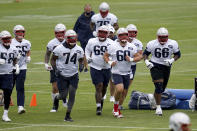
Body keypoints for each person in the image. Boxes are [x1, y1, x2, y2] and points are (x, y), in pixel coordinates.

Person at [104, 28, 141, 118]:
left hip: (127, 72)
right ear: (118, 36)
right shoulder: (113, 45)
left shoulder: (132, 46)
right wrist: (109, 62)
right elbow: (105, 55)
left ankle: (117, 108)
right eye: (121, 35)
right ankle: (116, 109)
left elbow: (139, 57)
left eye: (125, 35)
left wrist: (131, 59)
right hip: (116, 71)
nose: (124, 37)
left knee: (124, 93)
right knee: (120, 89)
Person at [143, 27, 181, 116]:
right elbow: (145, 54)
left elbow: (178, 54)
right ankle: (158, 107)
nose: (163, 39)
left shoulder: (173, 43)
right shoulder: (152, 43)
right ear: (157, 36)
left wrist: (172, 60)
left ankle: (153, 99)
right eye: (161, 37)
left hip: (166, 66)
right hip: (155, 65)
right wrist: (146, 61)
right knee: (159, 86)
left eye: (165, 37)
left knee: (162, 89)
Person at [50, 30, 84, 122]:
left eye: (74, 38)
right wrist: (55, 69)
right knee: (63, 95)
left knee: (72, 93)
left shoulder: (79, 49)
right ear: (66, 38)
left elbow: (81, 59)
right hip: (62, 75)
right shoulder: (59, 48)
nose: (73, 40)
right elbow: (53, 59)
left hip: (73, 74)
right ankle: (56, 99)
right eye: (71, 38)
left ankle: (67, 115)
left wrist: (81, 65)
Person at [85, 25, 113, 115]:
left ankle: (101, 101)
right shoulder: (92, 41)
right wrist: (88, 57)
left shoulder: (111, 43)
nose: (102, 34)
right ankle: (98, 106)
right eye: (100, 32)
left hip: (107, 67)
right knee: (99, 86)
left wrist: (110, 61)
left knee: (104, 87)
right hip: (95, 66)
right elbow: (87, 50)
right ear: (97, 32)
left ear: (107, 34)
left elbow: (113, 54)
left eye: (104, 33)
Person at [118, 24, 143, 109]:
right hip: (119, 66)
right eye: (130, 32)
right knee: (119, 87)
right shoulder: (119, 41)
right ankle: (116, 101)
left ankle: (120, 104)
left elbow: (140, 55)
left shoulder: (138, 43)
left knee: (126, 87)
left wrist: (132, 59)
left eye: (134, 32)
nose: (132, 34)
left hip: (131, 67)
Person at [44, 23, 67, 112]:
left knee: (65, 86)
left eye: (61, 32)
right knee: (55, 87)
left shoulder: (68, 41)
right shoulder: (52, 43)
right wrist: (46, 63)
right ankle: (54, 105)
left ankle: (64, 99)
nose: (60, 34)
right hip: (55, 66)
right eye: (58, 33)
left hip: (66, 66)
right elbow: (47, 54)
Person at [11, 25, 31, 114]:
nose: (20, 33)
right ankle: (5, 102)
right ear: (14, 32)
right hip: (10, 67)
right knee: (8, 88)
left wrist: (28, 56)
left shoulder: (27, 42)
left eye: (22, 32)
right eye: (18, 32)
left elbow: (28, 50)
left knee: (20, 87)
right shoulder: (10, 42)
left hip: (22, 67)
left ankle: (20, 106)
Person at [0, 30, 19, 122]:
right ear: (1, 39)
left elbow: (15, 58)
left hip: (8, 74)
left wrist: (16, 66)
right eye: (5, 39)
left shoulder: (14, 48)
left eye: (8, 39)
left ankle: (5, 114)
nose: (7, 40)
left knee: (8, 94)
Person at [73, 4, 95, 72]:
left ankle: (92, 66)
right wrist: (75, 37)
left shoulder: (95, 17)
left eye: (89, 10)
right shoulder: (80, 18)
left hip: (92, 38)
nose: (88, 11)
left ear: (91, 10)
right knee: (84, 53)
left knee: (92, 52)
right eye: (87, 9)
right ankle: (86, 67)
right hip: (83, 38)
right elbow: (75, 29)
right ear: (84, 10)